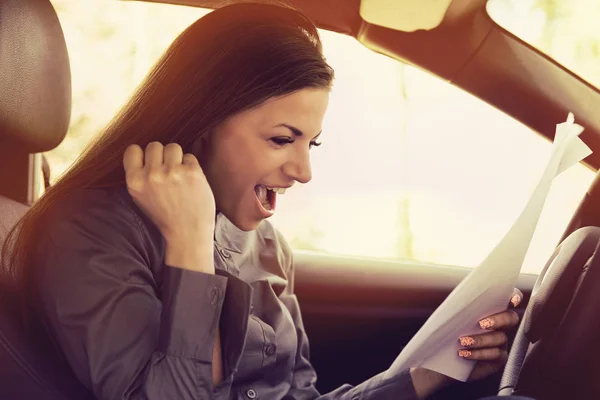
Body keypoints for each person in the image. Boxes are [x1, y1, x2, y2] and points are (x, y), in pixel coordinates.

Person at [1, 3, 521, 399]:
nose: (304, 171)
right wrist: (189, 246)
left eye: (310, 143)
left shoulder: (265, 241)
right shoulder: (86, 232)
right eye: (281, 139)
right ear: (203, 123)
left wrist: (429, 376)